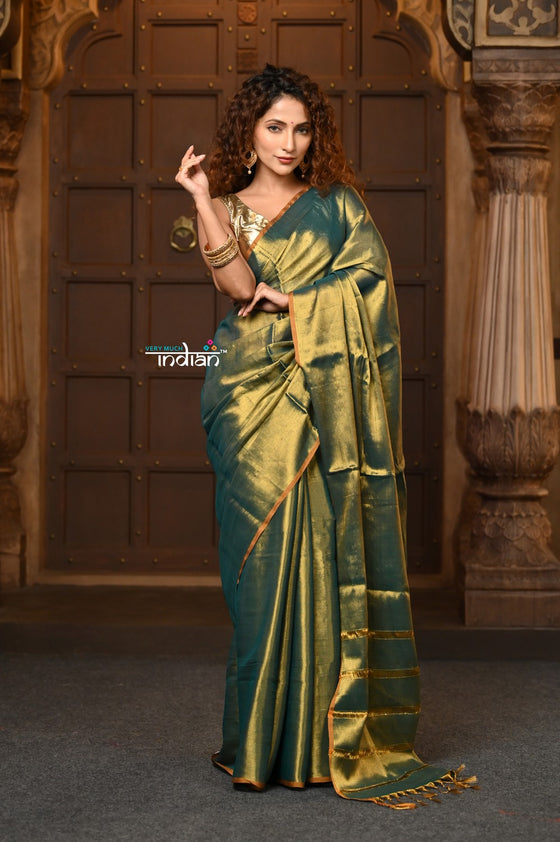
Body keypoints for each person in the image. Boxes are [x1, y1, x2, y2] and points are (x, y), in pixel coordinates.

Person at [175, 64, 476, 807]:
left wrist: (298, 303)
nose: (288, 142)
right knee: (259, 569)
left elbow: (370, 288)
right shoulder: (227, 206)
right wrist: (201, 198)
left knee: (321, 550)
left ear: (316, 135)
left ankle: (317, 741)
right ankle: (260, 740)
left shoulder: (338, 206)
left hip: (321, 393)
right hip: (249, 395)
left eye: (302, 128)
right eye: (274, 126)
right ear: (249, 130)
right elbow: (237, 289)